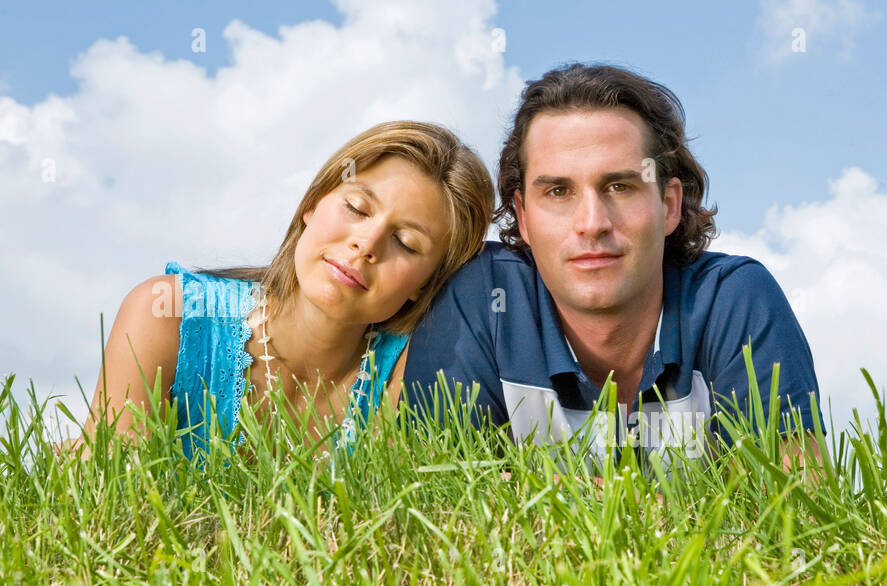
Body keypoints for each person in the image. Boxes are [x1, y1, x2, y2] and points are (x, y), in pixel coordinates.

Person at [401, 63, 823, 470]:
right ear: (523, 215)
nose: (592, 224)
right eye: (558, 191)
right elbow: (436, 504)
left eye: (620, 186)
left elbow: (796, 510)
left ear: (669, 205)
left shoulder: (737, 299)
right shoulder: (481, 299)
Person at [64, 121, 494, 463]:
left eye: (406, 243)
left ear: (426, 284)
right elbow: (109, 488)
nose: (366, 243)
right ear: (312, 204)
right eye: (356, 208)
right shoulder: (168, 314)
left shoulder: (411, 366)